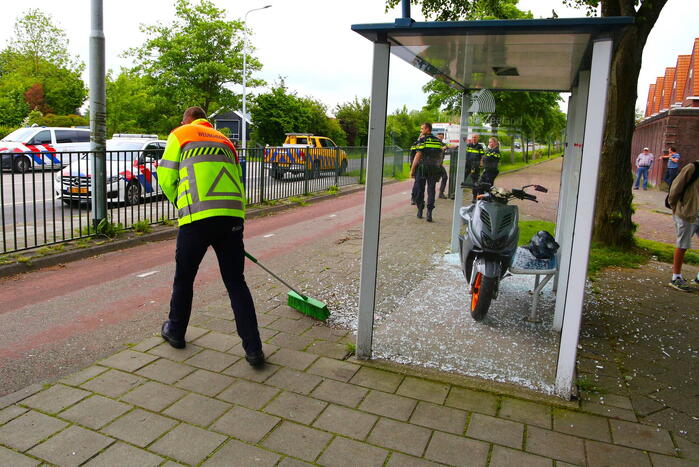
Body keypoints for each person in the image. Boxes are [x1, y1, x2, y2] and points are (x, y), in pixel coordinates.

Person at [157, 106, 264, 367]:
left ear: (187, 119)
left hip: (197, 219)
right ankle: (254, 350)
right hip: (232, 217)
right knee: (236, 282)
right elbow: (237, 178)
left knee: (185, 277)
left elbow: (166, 176)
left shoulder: (181, 134)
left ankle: (176, 332)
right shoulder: (226, 141)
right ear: (207, 121)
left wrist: (182, 205)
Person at [666, 160, 699, 291]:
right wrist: (675, 206)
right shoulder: (692, 168)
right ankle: (676, 277)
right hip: (688, 212)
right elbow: (675, 187)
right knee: (683, 244)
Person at [411, 122, 443, 222]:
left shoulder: (422, 140)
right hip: (434, 168)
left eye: (422, 129)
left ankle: (420, 210)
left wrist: (412, 170)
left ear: (427, 129)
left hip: (422, 168)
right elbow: (440, 155)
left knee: (420, 189)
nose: (421, 131)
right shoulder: (438, 141)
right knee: (431, 190)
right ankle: (429, 213)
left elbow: (418, 155)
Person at [475, 137, 502, 201]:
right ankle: (480, 200)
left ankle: (487, 200)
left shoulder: (496, 151)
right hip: (487, 170)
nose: (489, 143)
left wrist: (487, 153)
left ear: (495, 143)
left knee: (487, 187)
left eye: (490, 142)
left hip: (491, 172)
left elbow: (487, 158)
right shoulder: (491, 150)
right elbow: (485, 157)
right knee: (480, 185)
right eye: (489, 142)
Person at [435, 133, 453, 199]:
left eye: (441, 137)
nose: (440, 138)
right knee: (432, 180)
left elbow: (449, 146)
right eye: (439, 137)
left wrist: (455, 146)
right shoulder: (434, 143)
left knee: (444, 177)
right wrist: (443, 148)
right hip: (433, 165)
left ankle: (441, 193)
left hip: (439, 164)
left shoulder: (443, 144)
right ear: (436, 137)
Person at [409, 136, 421, 205]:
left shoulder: (416, 144)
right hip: (417, 166)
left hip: (419, 166)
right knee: (417, 183)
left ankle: (415, 198)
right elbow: (413, 157)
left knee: (418, 183)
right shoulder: (417, 144)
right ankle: (414, 198)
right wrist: (412, 169)